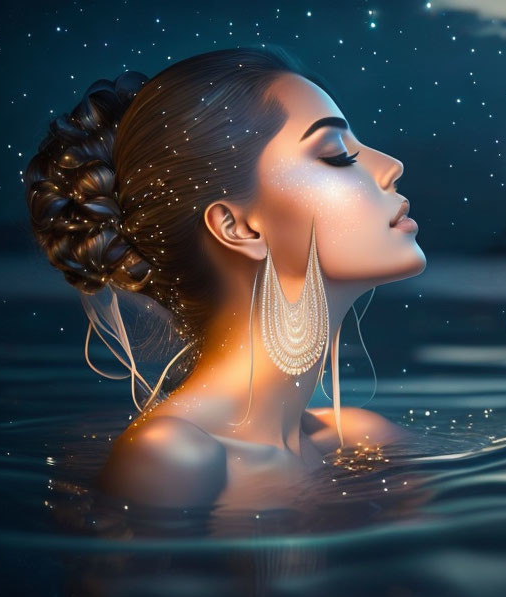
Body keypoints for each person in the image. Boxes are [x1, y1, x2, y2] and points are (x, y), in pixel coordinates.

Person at [24, 46, 426, 510]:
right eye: (337, 155)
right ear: (239, 228)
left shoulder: (366, 441)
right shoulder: (171, 459)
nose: (391, 165)